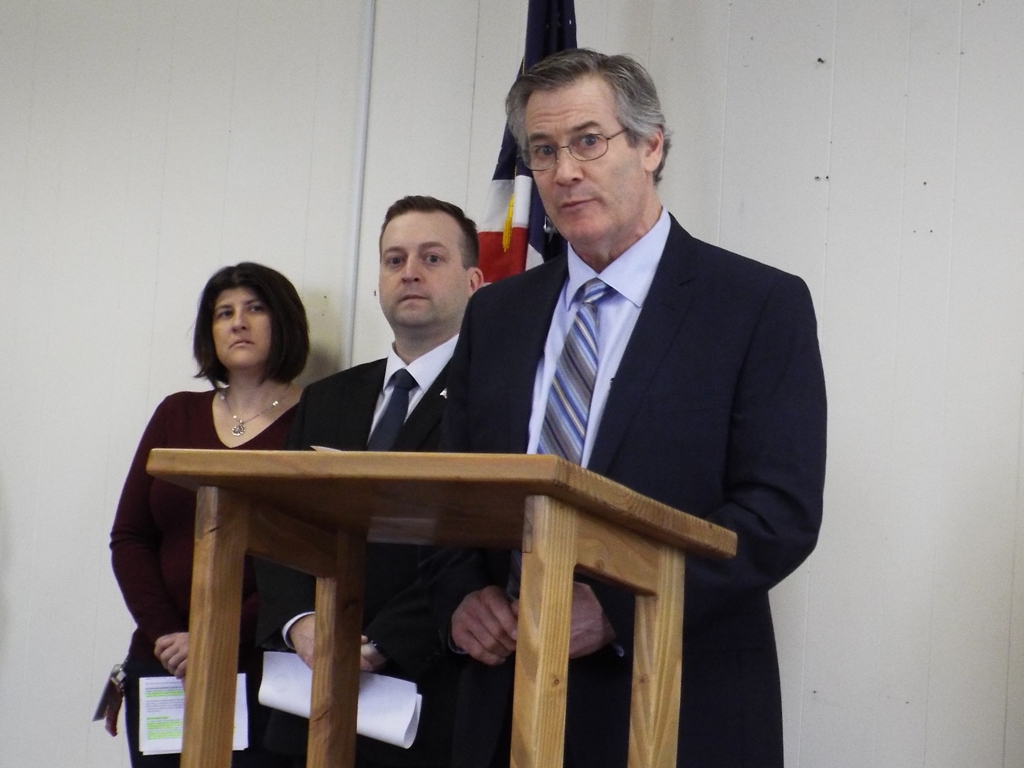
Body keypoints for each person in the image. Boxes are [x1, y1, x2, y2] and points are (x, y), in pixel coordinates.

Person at [419, 49, 828, 768]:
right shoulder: (497, 314)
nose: (564, 172)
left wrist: (620, 609)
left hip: (675, 701)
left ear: (650, 146)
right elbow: (454, 489)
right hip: (503, 701)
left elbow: (778, 514)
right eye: (543, 150)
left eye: (587, 141)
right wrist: (464, 595)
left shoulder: (757, 305)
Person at [254, 195, 483, 768]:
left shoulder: (493, 401)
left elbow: (483, 543)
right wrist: (301, 623)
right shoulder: (327, 399)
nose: (410, 272)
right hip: (308, 691)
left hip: (426, 693)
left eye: (432, 258)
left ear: (475, 282)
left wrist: (383, 643)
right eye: (394, 259)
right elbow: (280, 522)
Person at [110, 262, 309, 767]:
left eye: (255, 308)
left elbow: (311, 552)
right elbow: (130, 537)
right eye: (224, 313)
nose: (238, 322)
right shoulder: (176, 413)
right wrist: (167, 637)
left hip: (261, 665)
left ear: (284, 321)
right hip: (165, 663)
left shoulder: (316, 418)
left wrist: (213, 636)